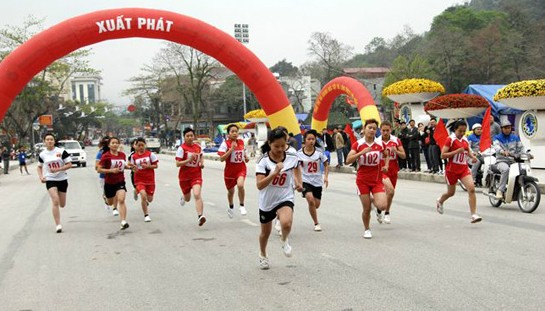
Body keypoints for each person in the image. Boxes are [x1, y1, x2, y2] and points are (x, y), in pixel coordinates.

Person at [256, 127, 303, 270]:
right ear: (269, 143)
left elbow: (296, 168)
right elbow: (259, 185)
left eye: (283, 145)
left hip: (285, 196)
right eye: (276, 146)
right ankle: (263, 254)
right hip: (267, 200)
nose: (280, 149)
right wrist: (274, 172)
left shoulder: (292, 157)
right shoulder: (262, 161)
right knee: (265, 233)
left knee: (286, 223)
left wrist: (298, 182)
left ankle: (284, 239)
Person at [345, 119, 389, 239]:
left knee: (383, 206)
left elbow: (386, 155)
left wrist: (386, 165)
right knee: (367, 208)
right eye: (369, 127)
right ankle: (367, 229)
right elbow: (348, 160)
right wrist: (361, 153)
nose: (372, 130)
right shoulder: (358, 144)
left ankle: (377, 207)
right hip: (362, 180)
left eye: (374, 128)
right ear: (364, 129)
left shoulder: (380, 144)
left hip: (376, 179)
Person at [436, 120, 482, 223]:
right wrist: (456, 151)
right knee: (451, 193)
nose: (462, 133)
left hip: (464, 169)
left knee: (471, 189)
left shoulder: (465, 139)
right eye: (460, 131)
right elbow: (442, 155)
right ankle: (440, 201)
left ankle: (474, 214)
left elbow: (467, 150)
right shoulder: (450, 139)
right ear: (455, 130)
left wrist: (472, 157)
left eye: (464, 131)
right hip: (452, 170)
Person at [37, 133, 72, 233]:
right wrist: (41, 177)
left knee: (62, 204)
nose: (49, 141)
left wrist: (58, 169)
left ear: (54, 141)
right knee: (55, 201)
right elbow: (39, 167)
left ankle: (58, 221)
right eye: (47, 139)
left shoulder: (61, 152)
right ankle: (58, 225)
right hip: (50, 179)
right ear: (44, 141)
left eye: (51, 139)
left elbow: (69, 164)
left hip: (62, 179)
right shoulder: (42, 154)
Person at [297, 130, 329, 231]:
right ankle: (316, 223)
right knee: (310, 200)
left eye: (313, 139)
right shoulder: (299, 154)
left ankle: (312, 208)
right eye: (309, 139)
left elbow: (326, 164)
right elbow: (295, 168)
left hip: (317, 181)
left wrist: (326, 177)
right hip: (305, 180)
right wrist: (298, 181)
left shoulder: (319, 153)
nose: (311, 141)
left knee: (316, 204)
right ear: (304, 140)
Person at [97, 137, 132, 230]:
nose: (115, 144)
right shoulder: (106, 156)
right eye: (112, 143)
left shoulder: (122, 155)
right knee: (110, 202)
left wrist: (131, 168)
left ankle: (123, 221)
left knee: (121, 199)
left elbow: (123, 166)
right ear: (109, 145)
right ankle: (106, 197)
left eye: (116, 143)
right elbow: (98, 169)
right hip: (109, 182)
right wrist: (111, 170)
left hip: (120, 181)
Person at [376, 121, 406, 224]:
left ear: (391, 130)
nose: (385, 132)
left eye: (387, 130)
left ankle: (381, 209)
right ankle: (387, 213)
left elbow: (403, 155)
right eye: (383, 130)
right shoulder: (377, 141)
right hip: (382, 169)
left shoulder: (396, 140)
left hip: (393, 169)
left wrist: (396, 151)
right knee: (391, 190)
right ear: (380, 130)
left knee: (390, 193)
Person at [176, 127, 206, 226]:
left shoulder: (198, 147)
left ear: (194, 136)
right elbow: (177, 163)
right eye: (187, 136)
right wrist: (188, 160)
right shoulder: (182, 148)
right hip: (184, 177)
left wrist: (201, 163)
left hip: (196, 175)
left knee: (197, 194)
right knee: (188, 198)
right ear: (184, 137)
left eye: (191, 135)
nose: (189, 137)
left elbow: (201, 156)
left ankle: (200, 216)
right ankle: (184, 197)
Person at [218, 124, 249, 218]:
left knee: (240, 185)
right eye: (232, 131)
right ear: (228, 134)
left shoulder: (241, 142)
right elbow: (221, 159)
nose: (235, 133)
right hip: (229, 172)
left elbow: (243, 153)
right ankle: (231, 206)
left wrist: (246, 157)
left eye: (236, 131)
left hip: (241, 169)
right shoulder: (225, 144)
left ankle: (242, 205)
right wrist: (231, 150)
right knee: (231, 192)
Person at [492, 119, 524, 199]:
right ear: (501, 128)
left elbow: (521, 147)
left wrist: (526, 153)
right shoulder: (497, 137)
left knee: (522, 170)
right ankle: (500, 190)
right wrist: (502, 151)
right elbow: (496, 146)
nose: (507, 129)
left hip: (513, 161)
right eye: (505, 128)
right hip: (501, 161)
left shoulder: (515, 137)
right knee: (506, 169)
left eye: (509, 128)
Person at [130, 137, 159, 222]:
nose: (141, 147)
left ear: (145, 145)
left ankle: (136, 191)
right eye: (139, 145)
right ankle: (146, 215)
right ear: (136, 146)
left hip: (150, 179)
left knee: (149, 199)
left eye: (142, 145)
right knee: (143, 195)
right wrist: (133, 168)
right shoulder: (134, 156)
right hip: (139, 179)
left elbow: (156, 166)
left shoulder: (150, 154)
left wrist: (148, 166)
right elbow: (131, 166)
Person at [96, 136, 119, 214]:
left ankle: (115, 208)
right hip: (103, 177)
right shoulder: (101, 153)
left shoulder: (116, 153)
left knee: (116, 192)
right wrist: (106, 168)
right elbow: (96, 167)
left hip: (115, 177)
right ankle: (107, 201)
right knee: (107, 193)